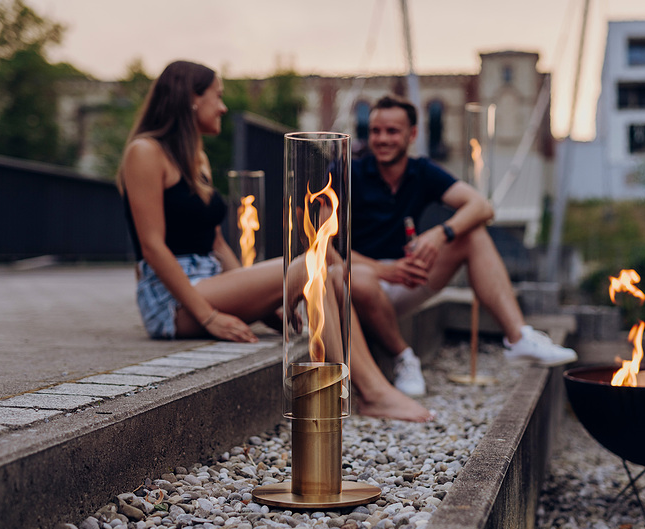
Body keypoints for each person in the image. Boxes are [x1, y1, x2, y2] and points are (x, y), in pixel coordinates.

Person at [117, 61, 432, 422]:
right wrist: (211, 316)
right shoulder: (144, 152)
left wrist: (266, 304)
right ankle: (374, 393)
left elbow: (217, 243)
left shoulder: (194, 157)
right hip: (170, 299)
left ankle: (369, 385)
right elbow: (152, 247)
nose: (223, 106)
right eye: (217, 96)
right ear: (191, 99)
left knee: (325, 269)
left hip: (208, 282)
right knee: (312, 262)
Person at [350, 94, 578, 397]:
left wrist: (438, 234)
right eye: (376, 131)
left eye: (392, 131)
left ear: (412, 134)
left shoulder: (421, 171)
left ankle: (518, 337)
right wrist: (383, 269)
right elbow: (322, 248)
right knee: (362, 281)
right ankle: (404, 358)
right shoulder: (350, 172)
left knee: (473, 234)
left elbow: (482, 207)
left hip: (407, 279)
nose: (382, 139)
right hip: (357, 281)